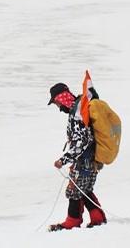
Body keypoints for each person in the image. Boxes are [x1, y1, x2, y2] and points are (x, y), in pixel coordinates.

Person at [47, 82, 107, 231]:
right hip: (93, 159)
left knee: (74, 191)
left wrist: (64, 159)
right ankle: (97, 217)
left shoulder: (78, 113)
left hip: (84, 161)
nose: (59, 109)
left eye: (57, 104)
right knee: (84, 189)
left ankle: (72, 221)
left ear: (62, 99)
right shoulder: (80, 109)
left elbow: (82, 141)